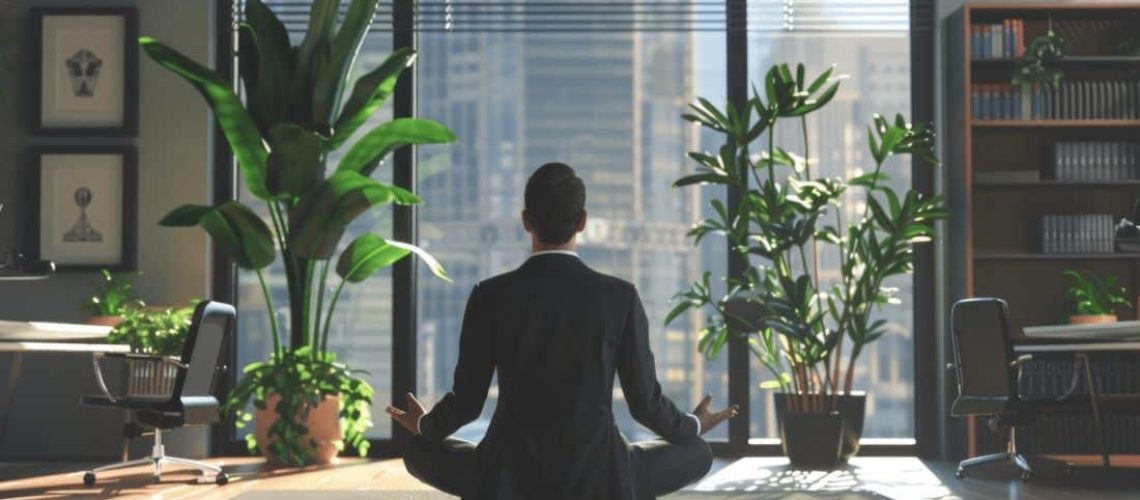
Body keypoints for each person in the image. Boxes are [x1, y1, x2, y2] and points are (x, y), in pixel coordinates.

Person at [387, 162, 738, 499]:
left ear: (527, 221)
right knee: (698, 452)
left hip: (509, 477)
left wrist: (425, 426)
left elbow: (467, 402)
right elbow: (644, 404)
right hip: (599, 475)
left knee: (420, 451)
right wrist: (692, 424)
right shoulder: (620, 297)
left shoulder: (490, 295)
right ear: (582, 221)